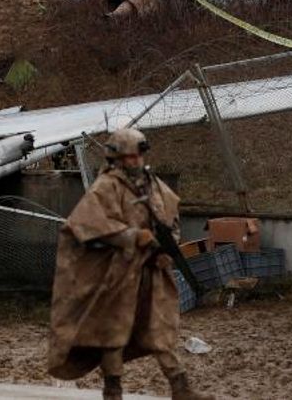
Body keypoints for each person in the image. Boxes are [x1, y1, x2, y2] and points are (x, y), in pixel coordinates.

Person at [47, 128, 209, 400]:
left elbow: (171, 218)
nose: (134, 161)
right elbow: (87, 223)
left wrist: (167, 247)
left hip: (152, 269)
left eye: (138, 156)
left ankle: (181, 387)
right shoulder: (106, 186)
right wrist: (132, 236)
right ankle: (113, 390)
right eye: (129, 157)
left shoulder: (154, 184)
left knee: (161, 326)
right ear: (117, 159)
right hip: (119, 272)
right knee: (114, 333)